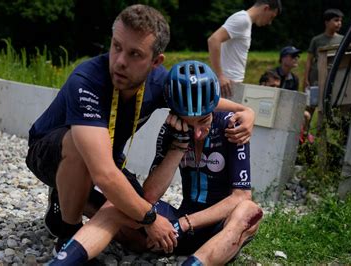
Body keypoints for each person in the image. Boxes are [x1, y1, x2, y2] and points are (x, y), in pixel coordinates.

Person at [26, 4, 256, 254]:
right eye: (116, 46)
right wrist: (152, 219)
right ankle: (67, 231)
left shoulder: (158, 82)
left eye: (135, 54)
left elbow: (197, 99)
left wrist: (246, 112)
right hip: (50, 154)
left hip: (108, 162)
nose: (121, 62)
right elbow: (104, 174)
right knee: (83, 151)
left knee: (138, 236)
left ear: (155, 62)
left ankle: (69, 199)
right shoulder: (87, 80)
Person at [49, 61, 263, 266]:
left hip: (218, 228)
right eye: (190, 123)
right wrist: (179, 146)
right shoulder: (171, 131)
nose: (198, 132)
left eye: (204, 120)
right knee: (115, 205)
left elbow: (240, 196)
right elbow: (149, 196)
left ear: (214, 108)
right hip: (179, 228)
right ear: (175, 114)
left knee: (248, 209)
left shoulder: (232, 126)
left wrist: (184, 224)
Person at [208, 0, 281, 98]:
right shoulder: (242, 20)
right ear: (266, 8)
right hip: (225, 85)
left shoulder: (246, 22)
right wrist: (220, 75)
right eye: (271, 17)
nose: (270, 22)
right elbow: (213, 40)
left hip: (230, 85)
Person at [303, 9, 344, 89]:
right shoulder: (316, 40)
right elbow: (309, 60)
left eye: (340, 21)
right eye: (336, 20)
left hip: (335, 74)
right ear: (326, 23)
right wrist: (306, 78)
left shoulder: (343, 40)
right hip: (317, 76)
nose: (339, 23)